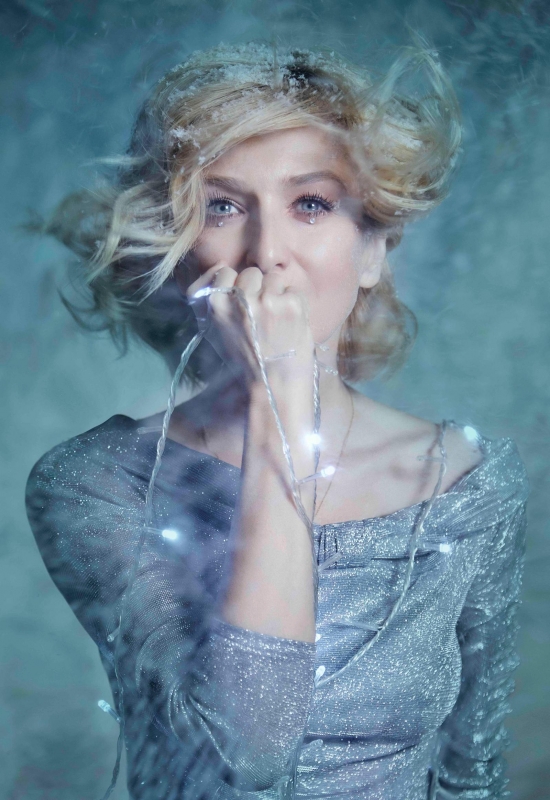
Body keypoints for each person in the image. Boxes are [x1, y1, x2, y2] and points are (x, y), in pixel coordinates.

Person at [25, 43, 529, 800]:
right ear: (178, 250)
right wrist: (276, 401)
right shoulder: (93, 482)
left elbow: (473, 769)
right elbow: (247, 750)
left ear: (372, 251)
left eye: (312, 204)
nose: (267, 252)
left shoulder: (469, 484)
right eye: (222, 207)